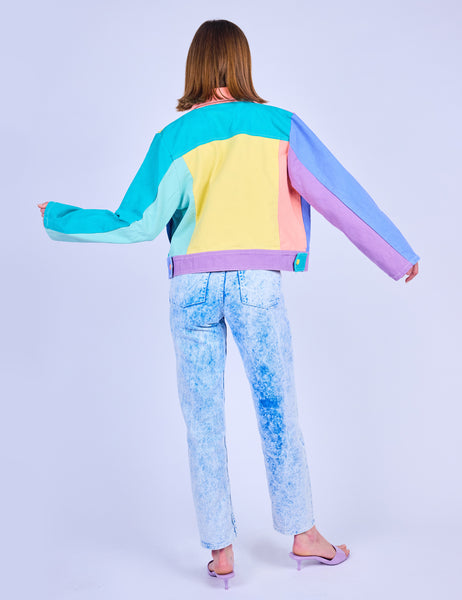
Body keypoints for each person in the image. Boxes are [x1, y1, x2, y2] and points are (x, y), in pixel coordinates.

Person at [38, 19, 420, 589]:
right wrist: (396, 254)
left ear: (195, 65)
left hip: (190, 288)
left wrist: (58, 217)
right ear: (242, 63)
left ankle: (220, 551)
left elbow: (136, 223)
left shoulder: (173, 138)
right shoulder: (280, 126)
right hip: (256, 285)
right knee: (277, 410)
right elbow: (338, 195)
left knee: (203, 420)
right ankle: (304, 533)